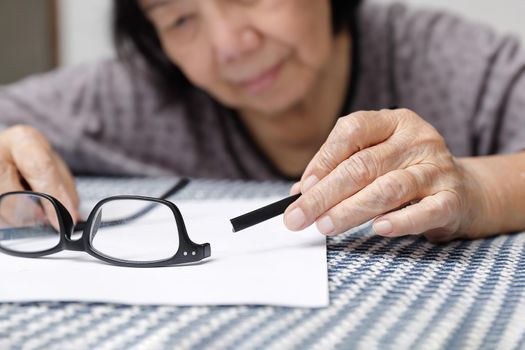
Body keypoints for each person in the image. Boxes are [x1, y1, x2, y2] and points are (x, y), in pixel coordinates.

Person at [0, 0, 524, 243]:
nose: (231, 45)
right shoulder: (133, 96)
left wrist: (479, 189)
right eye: (181, 19)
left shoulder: (447, 60)